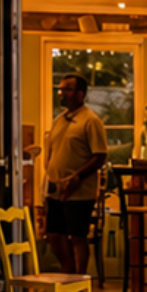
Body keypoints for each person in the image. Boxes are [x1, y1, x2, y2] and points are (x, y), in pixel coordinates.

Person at [44, 75, 108, 279]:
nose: (61, 93)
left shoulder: (91, 121)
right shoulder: (58, 121)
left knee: (78, 237)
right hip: (55, 190)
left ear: (80, 94)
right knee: (54, 234)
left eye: (67, 89)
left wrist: (77, 177)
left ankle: (79, 283)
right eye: (60, 89)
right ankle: (68, 273)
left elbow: (100, 156)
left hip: (79, 192)